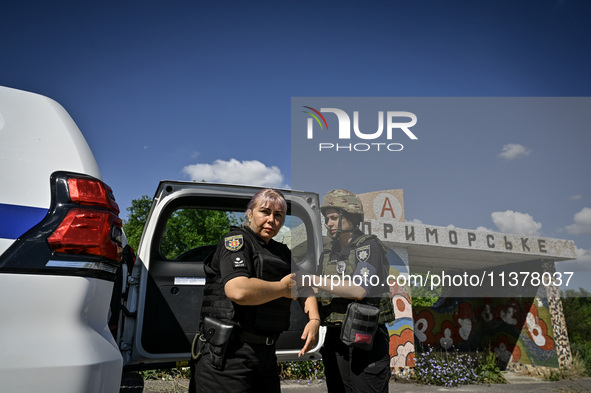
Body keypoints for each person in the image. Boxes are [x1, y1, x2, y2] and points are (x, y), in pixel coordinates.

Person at [191, 188, 320, 393]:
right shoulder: (236, 242)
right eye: (265, 212)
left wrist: (314, 319)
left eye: (278, 215)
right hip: (229, 355)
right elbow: (238, 290)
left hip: (265, 355)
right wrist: (283, 288)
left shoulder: (280, 252)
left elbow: (304, 285)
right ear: (250, 213)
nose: (271, 220)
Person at [305, 189, 395, 393]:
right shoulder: (328, 253)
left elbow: (359, 290)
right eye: (327, 218)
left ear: (352, 217)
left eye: (335, 217)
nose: (329, 223)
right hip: (336, 337)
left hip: (366, 337)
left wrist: (312, 279)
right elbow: (317, 289)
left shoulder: (369, 247)